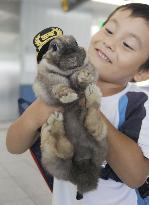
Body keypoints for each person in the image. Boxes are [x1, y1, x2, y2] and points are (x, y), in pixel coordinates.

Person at [6, 3, 149, 205]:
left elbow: (136, 177)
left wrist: (86, 105)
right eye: (109, 30)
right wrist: (38, 111)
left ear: (141, 72)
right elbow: (13, 145)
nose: (110, 42)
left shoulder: (141, 105)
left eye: (128, 45)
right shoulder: (60, 89)